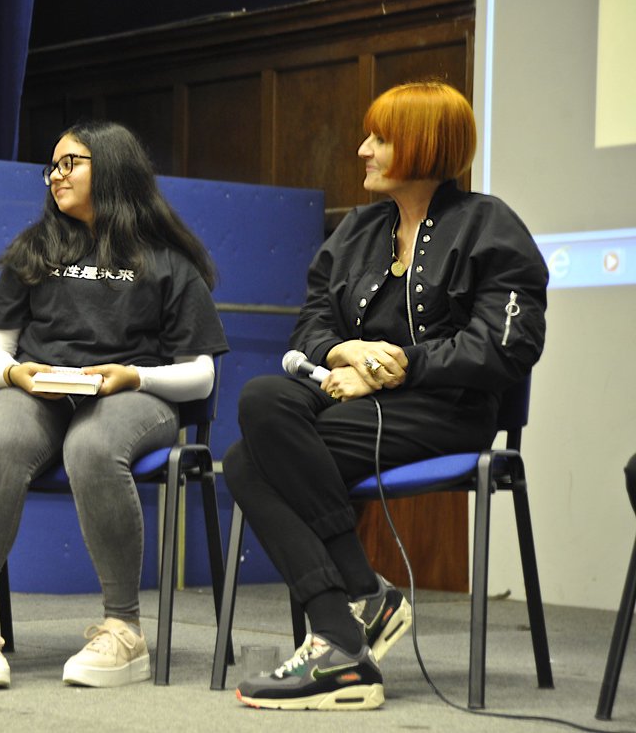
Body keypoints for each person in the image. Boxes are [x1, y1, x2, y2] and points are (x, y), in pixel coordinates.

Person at [223, 81, 549, 710]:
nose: (362, 149)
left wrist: (399, 368)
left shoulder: (490, 225)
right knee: (264, 399)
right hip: (349, 403)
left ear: (423, 145)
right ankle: (355, 608)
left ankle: (342, 629)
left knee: (245, 462)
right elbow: (312, 326)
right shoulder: (356, 232)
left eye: (379, 138)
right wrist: (342, 352)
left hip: (443, 412)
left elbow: (507, 347)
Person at [0, 121, 228, 690]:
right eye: (52, 166)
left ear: (113, 165)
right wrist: (17, 373)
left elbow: (201, 374)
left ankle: (123, 630)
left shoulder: (167, 261)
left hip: (132, 393)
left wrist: (133, 377)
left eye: (70, 162)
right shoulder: (36, 248)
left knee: (93, 446)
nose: (56, 175)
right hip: (41, 388)